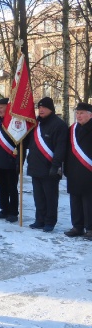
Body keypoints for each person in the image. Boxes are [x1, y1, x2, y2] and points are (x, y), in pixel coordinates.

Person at [26, 97, 67, 232]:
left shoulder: (59, 125)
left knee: (50, 198)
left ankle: (50, 222)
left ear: (51, 109)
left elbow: (60, 148)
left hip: (50, 167)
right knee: (38, 197)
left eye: (44, 108)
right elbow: (30, 143)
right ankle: (40, 219)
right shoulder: (35, 124)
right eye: (39, 107)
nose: (41, 110)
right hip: (35, 166)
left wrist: (56, 166)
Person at [63, 102, 92, 240]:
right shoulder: (72, 129)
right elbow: (67, 150)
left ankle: (90, 229)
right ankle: (77, 227)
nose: (78, 115)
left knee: (88, 202)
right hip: (74, 170)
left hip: (88, 171)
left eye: (81, 113)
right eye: (77, 113)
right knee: (75, 200)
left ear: (90, 114)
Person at [0, 98, 20, 223]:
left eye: (2, 107)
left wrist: (18, 160)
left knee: (12, 187)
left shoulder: (15, 122)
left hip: (11, 160)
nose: (0, 110)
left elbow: (20, 142)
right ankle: (4, 209)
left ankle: (13, 212)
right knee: (1, 187)